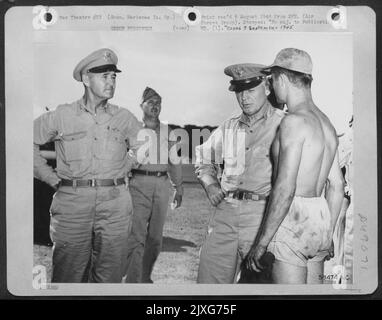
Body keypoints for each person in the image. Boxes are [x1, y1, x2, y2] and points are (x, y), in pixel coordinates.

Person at [34, 48, 143, 283]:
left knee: (110, 277)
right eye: (104, 76)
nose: (111, 82)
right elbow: (22, 141)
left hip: (115, 205)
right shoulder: (62, 116)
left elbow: (147, 145)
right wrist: (50, 178)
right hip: (73, 205)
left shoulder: (124, 117)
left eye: (114, 76)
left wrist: (127, 165)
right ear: (86, 79)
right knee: (68, 276)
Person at [246, 48, 345, 284]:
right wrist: (327, 233)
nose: (271, 86)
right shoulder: (326, 124)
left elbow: (285, 188)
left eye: (272, 79)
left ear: (281, 78)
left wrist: (261, 242)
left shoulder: (293, 122)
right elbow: (337, 185)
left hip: (293, 217)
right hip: (321, 215)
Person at [195, 63, 284, 283]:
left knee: (261, 288)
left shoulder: (284, 124)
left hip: (262, 216)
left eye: (251, 90)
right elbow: (204, 158)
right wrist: (210, 184)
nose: (244, 98)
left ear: (267, 88)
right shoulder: (229, 127)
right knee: (209, 286)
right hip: (225, 214)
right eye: (239, 92)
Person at [124, 87, 183, 283]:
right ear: (141, 105)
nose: (155, 105)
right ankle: (133, 282)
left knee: (156, 238)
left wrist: (179, 187)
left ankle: (145, 276)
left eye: (158, 102)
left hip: (162, 184)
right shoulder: (133, 129)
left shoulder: (169, 131)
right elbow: (121, 159)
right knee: (136, 236)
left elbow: (174, 162)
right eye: (151, 102)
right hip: (138, 183)